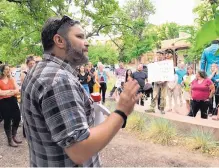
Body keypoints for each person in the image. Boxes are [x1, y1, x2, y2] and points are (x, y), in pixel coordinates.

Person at [21, 15, 141, 167]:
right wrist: (121, 111)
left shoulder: (38, 69)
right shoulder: (59, 80)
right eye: (80, 36)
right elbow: (79, 150)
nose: (87, 43)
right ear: (59, 41)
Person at [0, 64, 22, 147]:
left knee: (17, 117)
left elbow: (17, 89)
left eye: (8, 69)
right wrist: (11, 91)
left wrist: (8, 92)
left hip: (12, 100)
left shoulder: (11, 79)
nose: (8, 71)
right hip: (3, 102)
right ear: (2, 71)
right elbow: (0, 93)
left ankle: (14, 136)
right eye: (6, 69)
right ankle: (10, 140)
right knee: (7, 120)